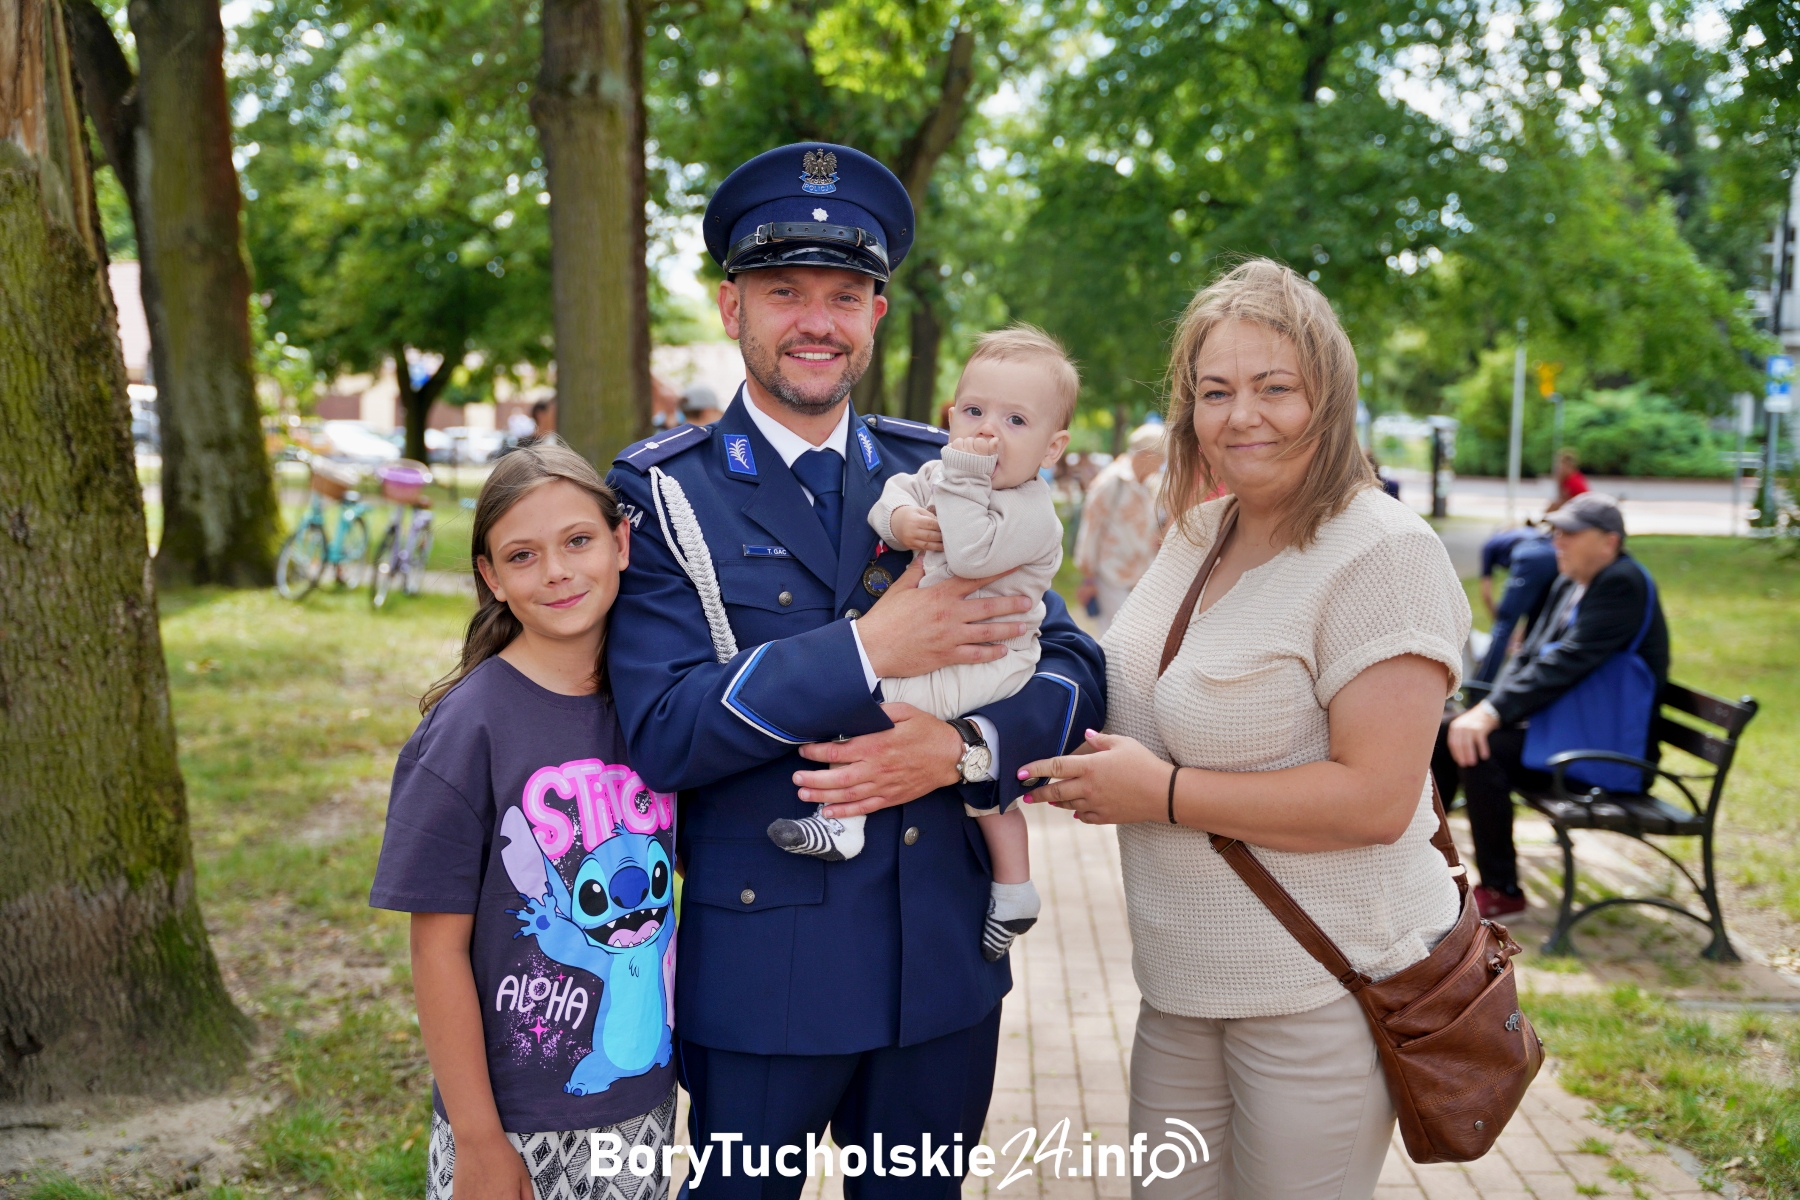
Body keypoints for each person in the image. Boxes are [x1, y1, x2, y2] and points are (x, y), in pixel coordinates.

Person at [602, 143, 1104, 1197]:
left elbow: (1071, 664)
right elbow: (663, 728)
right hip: (766, 974)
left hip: (941, 968)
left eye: (844, 294)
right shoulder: (664, 495)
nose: (816, 321)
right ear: (733, 305)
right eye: (785, 292)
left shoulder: (955, 469)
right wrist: (873, 648)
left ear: (878, 313)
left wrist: (964, 751)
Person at [1017, 258, 1470, 1199]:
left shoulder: (1384, 553)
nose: (1240, 416)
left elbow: (1379, 798)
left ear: (1330, 397)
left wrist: (1166, 795)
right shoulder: (1198, 532)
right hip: (1179, 983)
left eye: (1276, 388)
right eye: (1214, 391)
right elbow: (1122, 687)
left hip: (1319, 987)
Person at [370, 440, 676, 1200]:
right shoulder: (468, 727)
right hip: (510, 1123)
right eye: (523, 555)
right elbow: (436, 948)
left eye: (578, 541)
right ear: (491, 578)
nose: (559, 572)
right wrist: (476, 1138)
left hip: (640, 1107)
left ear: (621, 542)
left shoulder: (661, 712)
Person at [766, 324, 1076, 964]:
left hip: (989, 663)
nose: (988, 431)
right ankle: (860, 832)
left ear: (1053, 446)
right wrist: (903, 519)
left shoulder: (1030, 508)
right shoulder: (946, 467)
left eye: (1015, 420)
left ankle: (1000, 883)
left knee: (919, 745)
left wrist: (960, 475)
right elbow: (898, 497)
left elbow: (969, 552)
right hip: (942, 650)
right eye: (973, 412)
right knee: (887, 723)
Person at [1441, 493, 1669, 919]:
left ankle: (1502, 888)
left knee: (1480, 749)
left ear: (1609, 541)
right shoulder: (1571, 580)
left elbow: (1568, 661)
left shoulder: (1623, 584)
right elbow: (1529, 657)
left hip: (1609, 753)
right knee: (1445, 733)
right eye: (1555, 531)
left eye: (1569, 532)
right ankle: (1434, 868)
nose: (1557, 540)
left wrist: (1489, 714)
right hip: (1569, 730)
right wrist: (1483, 708)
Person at [1073, 422, 1167, 633]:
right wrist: (1089, 576)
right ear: (1146, 454)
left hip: (1142, 574)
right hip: (1110, 573)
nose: (1161, 463)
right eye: (1160, 457)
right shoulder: (1111, 482)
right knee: (1113, 635)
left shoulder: (1152, 483)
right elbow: (1091, 530)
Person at [1472, 523, 1558, 683]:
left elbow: (1486, 592)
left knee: (1502, 628)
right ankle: (1524, 684)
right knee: (1537, 624)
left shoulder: (1490, 544)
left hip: (1530, 556)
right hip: (1555, 555)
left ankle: (1480, 687)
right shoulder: (1527, 532)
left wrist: (1501, 620)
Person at [1546, 447, 1589, 512]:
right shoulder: (1568, 478)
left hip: (1583, 506)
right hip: (1578, 504)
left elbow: (1564, 499)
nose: (1559, 468)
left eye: (1561, 465)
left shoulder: (1573, 480)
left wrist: (1559, 482)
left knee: (1555, 505)